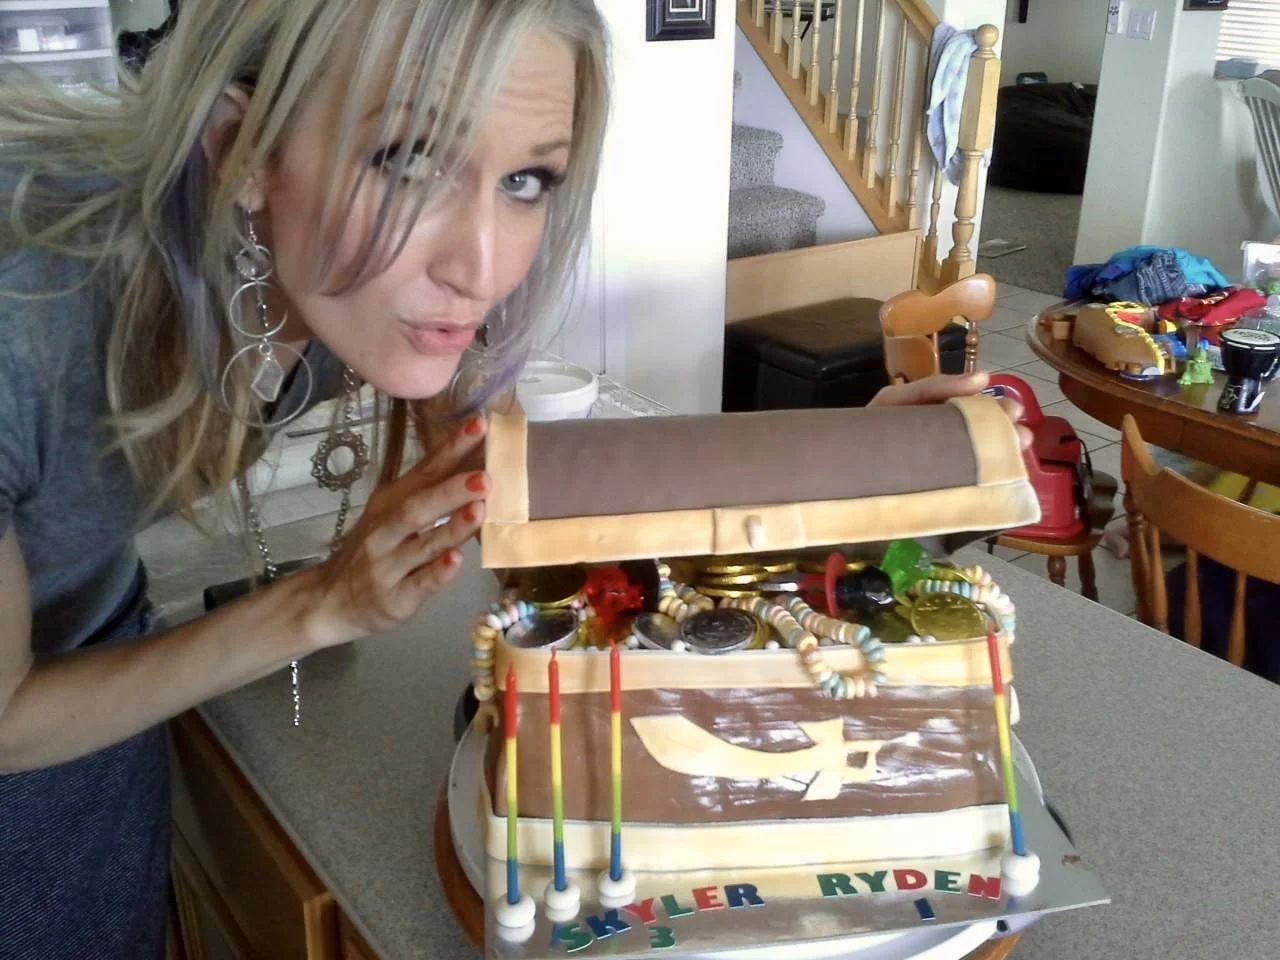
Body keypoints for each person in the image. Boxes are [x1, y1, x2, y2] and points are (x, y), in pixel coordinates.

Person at [0, 0, 1022, 955]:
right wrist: (316, 606)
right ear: (242, 149)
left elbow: (538, 485)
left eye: (526, 180)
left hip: (101, 691)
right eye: (405, 160)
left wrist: (853, 473)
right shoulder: (20, 324)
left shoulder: (313, 271)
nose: (484, 265)